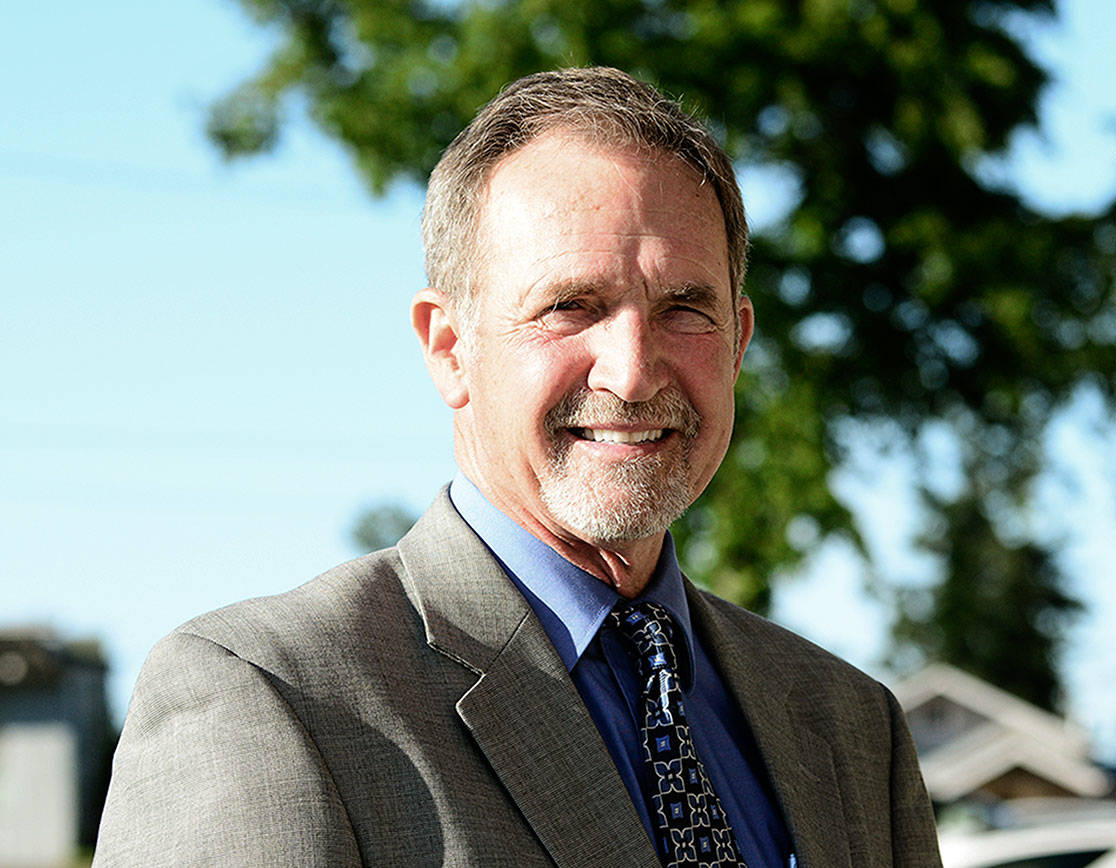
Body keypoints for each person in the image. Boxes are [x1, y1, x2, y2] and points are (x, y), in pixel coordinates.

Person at [95, 67, 940, 867]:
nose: (632, 372)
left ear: (740, 343)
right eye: (571, 306)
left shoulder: (853, 728)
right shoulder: (267, 697)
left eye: (685, 309)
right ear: (449, 348)